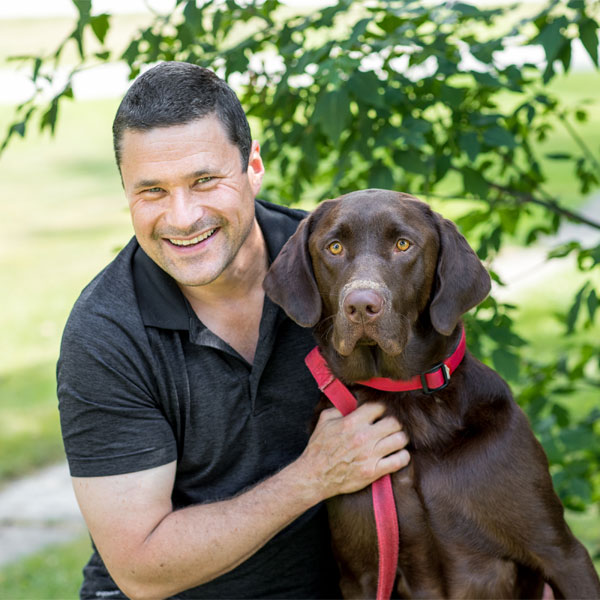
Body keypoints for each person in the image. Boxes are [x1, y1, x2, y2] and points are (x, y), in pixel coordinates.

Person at [57, 61, 410, 600]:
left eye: (204, 180)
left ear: (253, 165)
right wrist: (312, 477)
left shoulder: (338, 272)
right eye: (151, 191)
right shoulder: (106, 335)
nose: (181, 217)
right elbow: (141, 567)